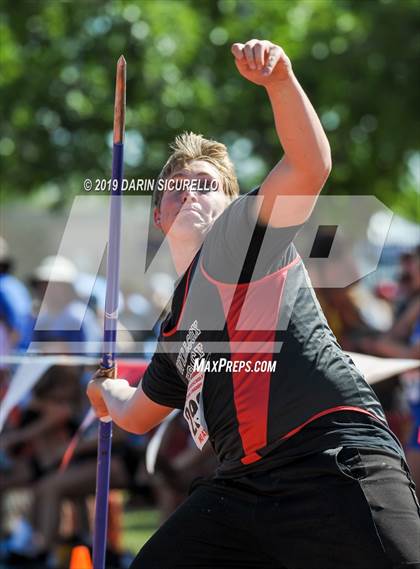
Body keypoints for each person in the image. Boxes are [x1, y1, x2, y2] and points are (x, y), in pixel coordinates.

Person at [88, 40, 420, 569]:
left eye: (207, 186)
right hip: (244, 490)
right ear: (159, 216)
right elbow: (137, 414)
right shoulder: (175, 327)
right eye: (177, 188)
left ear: (231, 203)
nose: (192, 194)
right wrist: (107, 390)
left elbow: (309, 166)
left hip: (331, 459)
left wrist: (280, 82)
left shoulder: (240, 236)